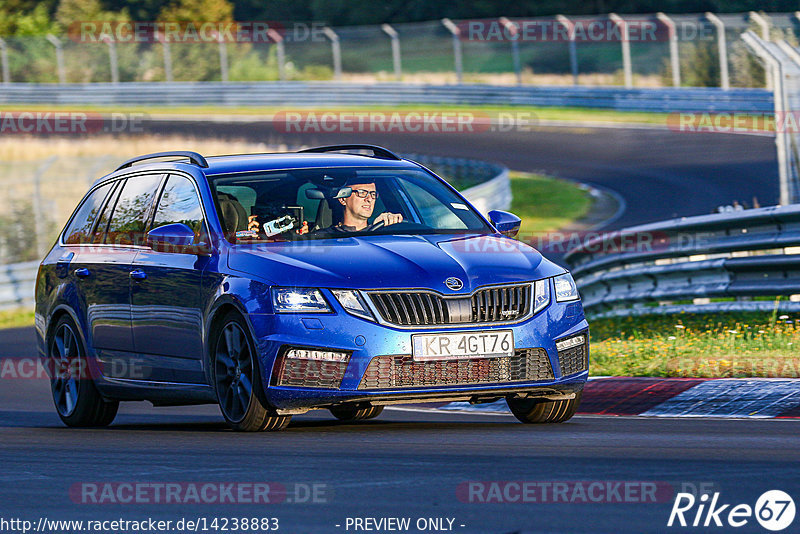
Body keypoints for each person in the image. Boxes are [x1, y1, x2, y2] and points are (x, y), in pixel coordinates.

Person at [332, 181, 403, 232]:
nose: (369, 199)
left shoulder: (383, 233)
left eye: (373, 194)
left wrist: (389, 223)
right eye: (362, 193)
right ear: (343, 199)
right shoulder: (325, 237)